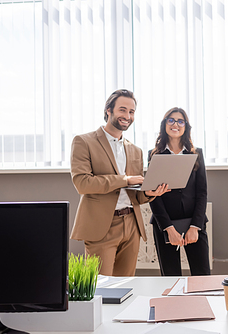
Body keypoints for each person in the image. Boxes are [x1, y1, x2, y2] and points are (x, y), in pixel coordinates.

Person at [70, 89, 169, 277]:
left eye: (131, 112)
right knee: (101, 288)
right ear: (109, 110)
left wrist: (150, 193)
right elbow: (83, 183)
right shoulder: (84, 141)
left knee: (125, 287)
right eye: (122, 110)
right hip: (101, 226)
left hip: (131, 224)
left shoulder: (135, 151)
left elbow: (135, 194)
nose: (127, 116)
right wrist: (124, 179)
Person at [148, 107, 210, 276]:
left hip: (194, 223)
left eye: (180, 121)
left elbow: (202, 192)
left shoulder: (197, 153)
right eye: (171, 120)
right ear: (164, 125)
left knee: (202, 276)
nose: (175, 124)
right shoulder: (154, 154)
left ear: (186, 126)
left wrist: (195, 226)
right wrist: (168, 228)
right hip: (165, 225)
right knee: (170, 277)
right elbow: (153, 197)